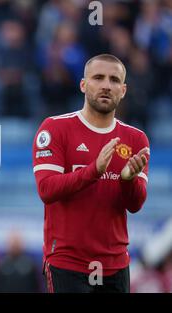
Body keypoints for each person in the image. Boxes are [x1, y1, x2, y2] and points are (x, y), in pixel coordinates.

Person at [32, 54, 150, 293]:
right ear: (83, 85)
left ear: (124, 90)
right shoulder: (55, 128)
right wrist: (94, 170)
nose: (107, 85)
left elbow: (135, 204)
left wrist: (127, 180)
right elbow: (47, 190)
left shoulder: (136, 139)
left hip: (116, 264)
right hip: (68, 262)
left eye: (114, 80)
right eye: (98, 77)